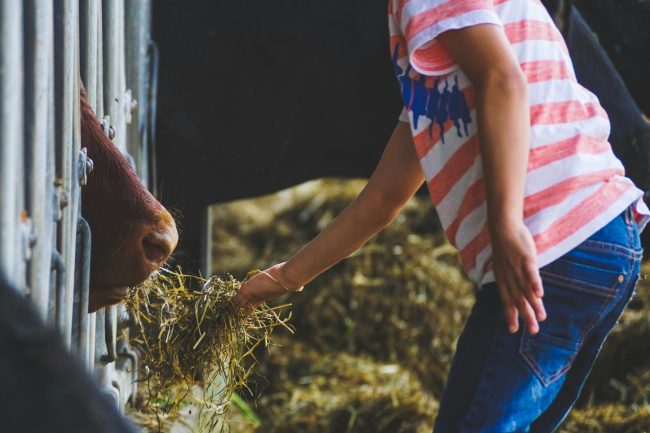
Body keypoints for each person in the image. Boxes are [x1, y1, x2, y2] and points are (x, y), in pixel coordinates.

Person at [234, 0, 649, 431]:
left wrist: (506, 225)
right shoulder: (439, 57)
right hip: (599, 239)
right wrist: (286, 276)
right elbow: (383, 197)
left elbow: (503, 80)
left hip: (549, 244)